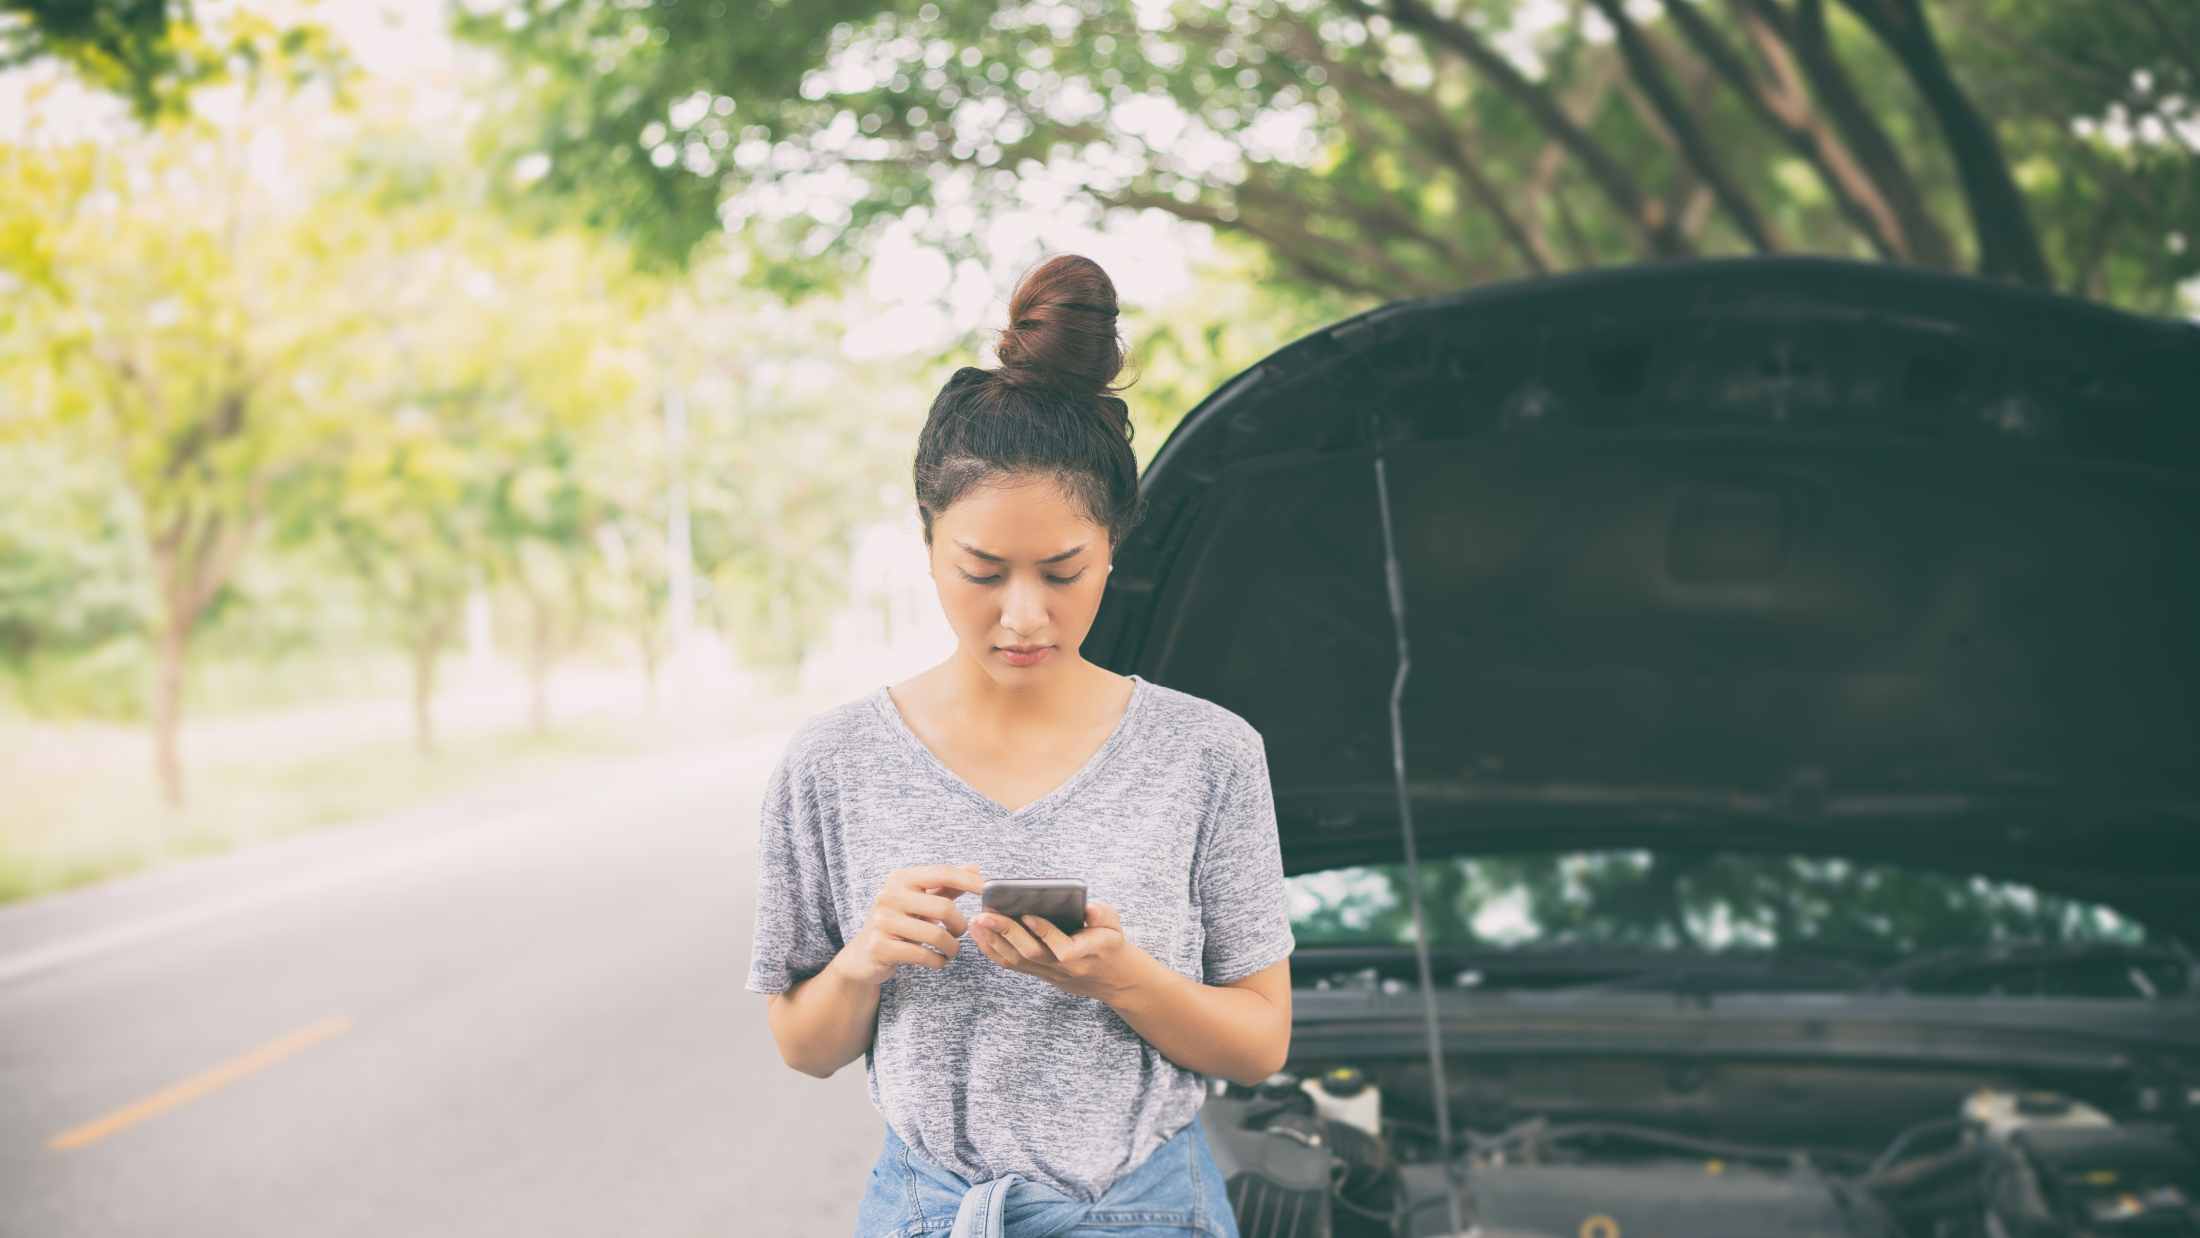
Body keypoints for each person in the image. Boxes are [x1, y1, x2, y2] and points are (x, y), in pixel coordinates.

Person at [745, 252, 1296, 1238]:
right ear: (926, 538)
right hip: (926, 1214)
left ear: (1116, 546)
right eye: (983, 570)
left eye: (1062, 570)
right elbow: (802, 1042)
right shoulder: (832, 762)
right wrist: (866, 957)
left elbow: (1260, 1042)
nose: (1023, 615)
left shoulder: (1207, 753)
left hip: (1150, 1213)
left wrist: (1119, 975)